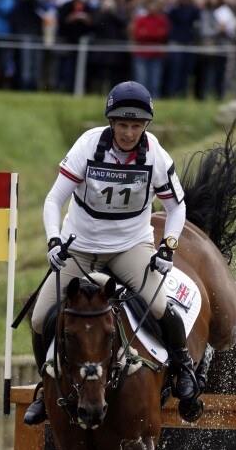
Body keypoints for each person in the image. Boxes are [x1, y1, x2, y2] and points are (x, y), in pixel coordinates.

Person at [24, 80, 198, 426]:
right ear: (111, 123)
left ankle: (184, 370)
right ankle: (47, 388)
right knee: (40, 317)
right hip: (81, 249)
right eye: (123, 125)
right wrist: (54, 240)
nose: (129, 133)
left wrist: (169, 246)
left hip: (129, 247)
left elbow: (176, 208)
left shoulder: (156, 155)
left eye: (136, 126)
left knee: (161, 306)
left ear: (144, 126)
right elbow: (53, 199)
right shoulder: (87, 146)